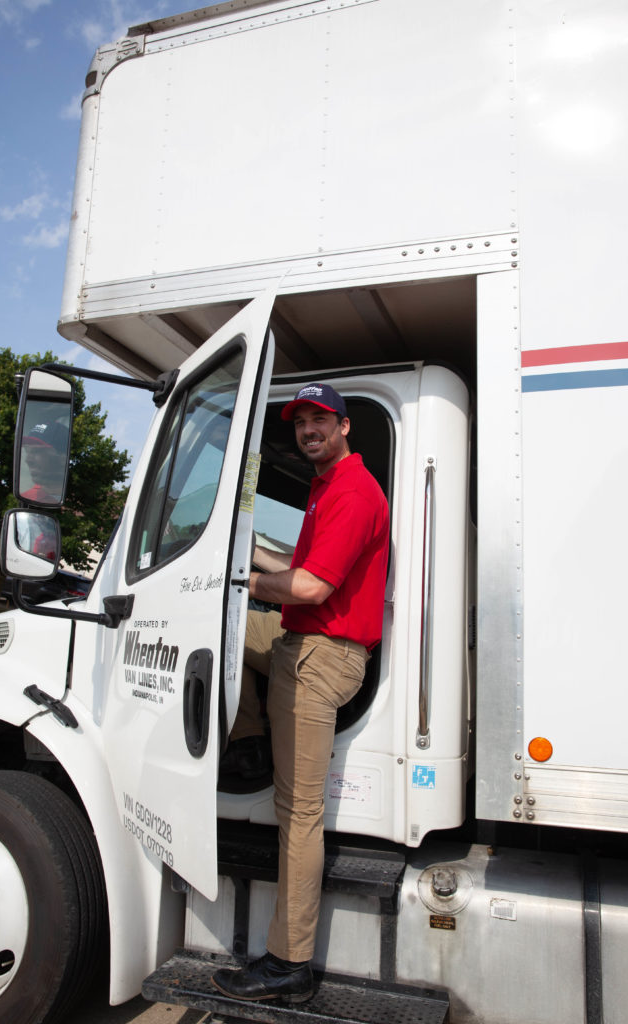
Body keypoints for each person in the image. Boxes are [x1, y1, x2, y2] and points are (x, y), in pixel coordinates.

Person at [211, 382, 390, 1004]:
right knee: (217, 635)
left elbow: (311, 588)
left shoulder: (351, 491)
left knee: (299, 815)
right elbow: (298, 573)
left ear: (345, 427)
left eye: (320, 420)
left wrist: (250, 579)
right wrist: (232, 558)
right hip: (298, 641)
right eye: (300, 422)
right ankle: (250, 737)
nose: (309, 430)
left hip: (322, 659)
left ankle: (289, 962)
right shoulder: (324, 488)